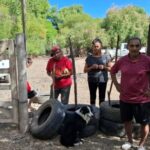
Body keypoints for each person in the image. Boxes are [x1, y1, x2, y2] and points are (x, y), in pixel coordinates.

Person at [110, 37, 150, 150]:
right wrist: (117, 85)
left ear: (140, 47)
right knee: (127, 121)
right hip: (125, 98)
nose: (134, 48)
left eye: (137, 46)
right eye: (132, 46)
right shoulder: (122, 60)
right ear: (128, 47)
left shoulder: (147, 60)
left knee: (144, 123)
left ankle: (141, 145)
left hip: (143, 100)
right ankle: (130, 142)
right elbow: (112, 71)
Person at [83, 38, 112, 106]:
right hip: (91, 80)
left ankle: (102, 113)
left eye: (97, 46)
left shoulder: (106, 57)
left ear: (101, 46)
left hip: (103, 80)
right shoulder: (89, 58)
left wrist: (104, 67)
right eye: (94, 46)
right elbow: (84, 70)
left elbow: (111, 69)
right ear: (92, 47)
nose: (96, 48)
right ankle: (93, 111)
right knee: (92, 97)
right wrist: (91, 67)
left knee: (102, 98)